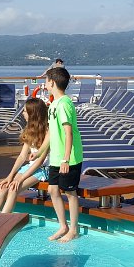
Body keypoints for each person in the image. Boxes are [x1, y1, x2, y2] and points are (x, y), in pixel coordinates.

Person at [0, 98, 50, 214]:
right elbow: (22, 157)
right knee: (4, 187)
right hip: (31, 166)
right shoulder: (29, 130)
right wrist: (10, 176)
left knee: (13, 189)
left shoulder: (48, 132)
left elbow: (40, 161)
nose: (23, 113)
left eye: (25, 111)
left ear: (33, 114)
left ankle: (3, 221)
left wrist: (20, 179)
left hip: (43, 169)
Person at [45, 66, 84, 242]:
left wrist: (66, 159)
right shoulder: (53, 104)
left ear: (52, 82)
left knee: (70, 193)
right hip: (56, 157)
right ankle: (63, 226)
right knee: (53, 190)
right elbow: (50, 133)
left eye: (46, 81)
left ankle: (73, 229)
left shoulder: (64, 104)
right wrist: (40, 153)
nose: (45, 85)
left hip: (69, 158)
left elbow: (68, 133)